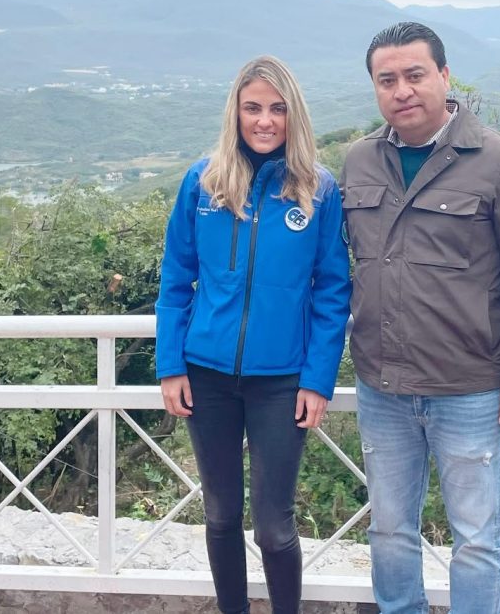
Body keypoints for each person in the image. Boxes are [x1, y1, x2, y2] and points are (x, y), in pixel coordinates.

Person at [341, 22, 500, 613]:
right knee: (387, 530)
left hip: (470, 389)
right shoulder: (359, 161)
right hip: (380, 386)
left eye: (415, 75)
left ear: (444, 75)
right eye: (387, 80)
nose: (402, 90)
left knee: (477, 539)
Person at [155, 55, 351, 614]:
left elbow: (333, 292)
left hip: (281, 382)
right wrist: (171, 365)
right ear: (235, 114)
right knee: (218, 514)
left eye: (277, 109)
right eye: (252, 108)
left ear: (294, 115)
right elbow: (176, 278)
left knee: (273, 526)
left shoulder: (318, 189)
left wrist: (317, 380)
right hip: (206, 375)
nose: (264, 120)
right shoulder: (204, 182)